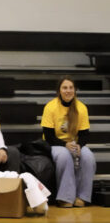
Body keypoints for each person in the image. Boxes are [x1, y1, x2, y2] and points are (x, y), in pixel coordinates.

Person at [41, 76, 96, 208]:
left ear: (75, 90)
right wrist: (64, 145)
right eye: (65, 88)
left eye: (71, 88)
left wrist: (79, 145)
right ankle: (65, 198)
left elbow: (84, 134)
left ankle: (83, 197)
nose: (68, 91)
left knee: (88, 156)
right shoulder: (51, 107)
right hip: (55, 144)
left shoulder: (81, 108)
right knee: (64, 155)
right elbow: (48, 136)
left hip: (74, 143)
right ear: (59, 90)